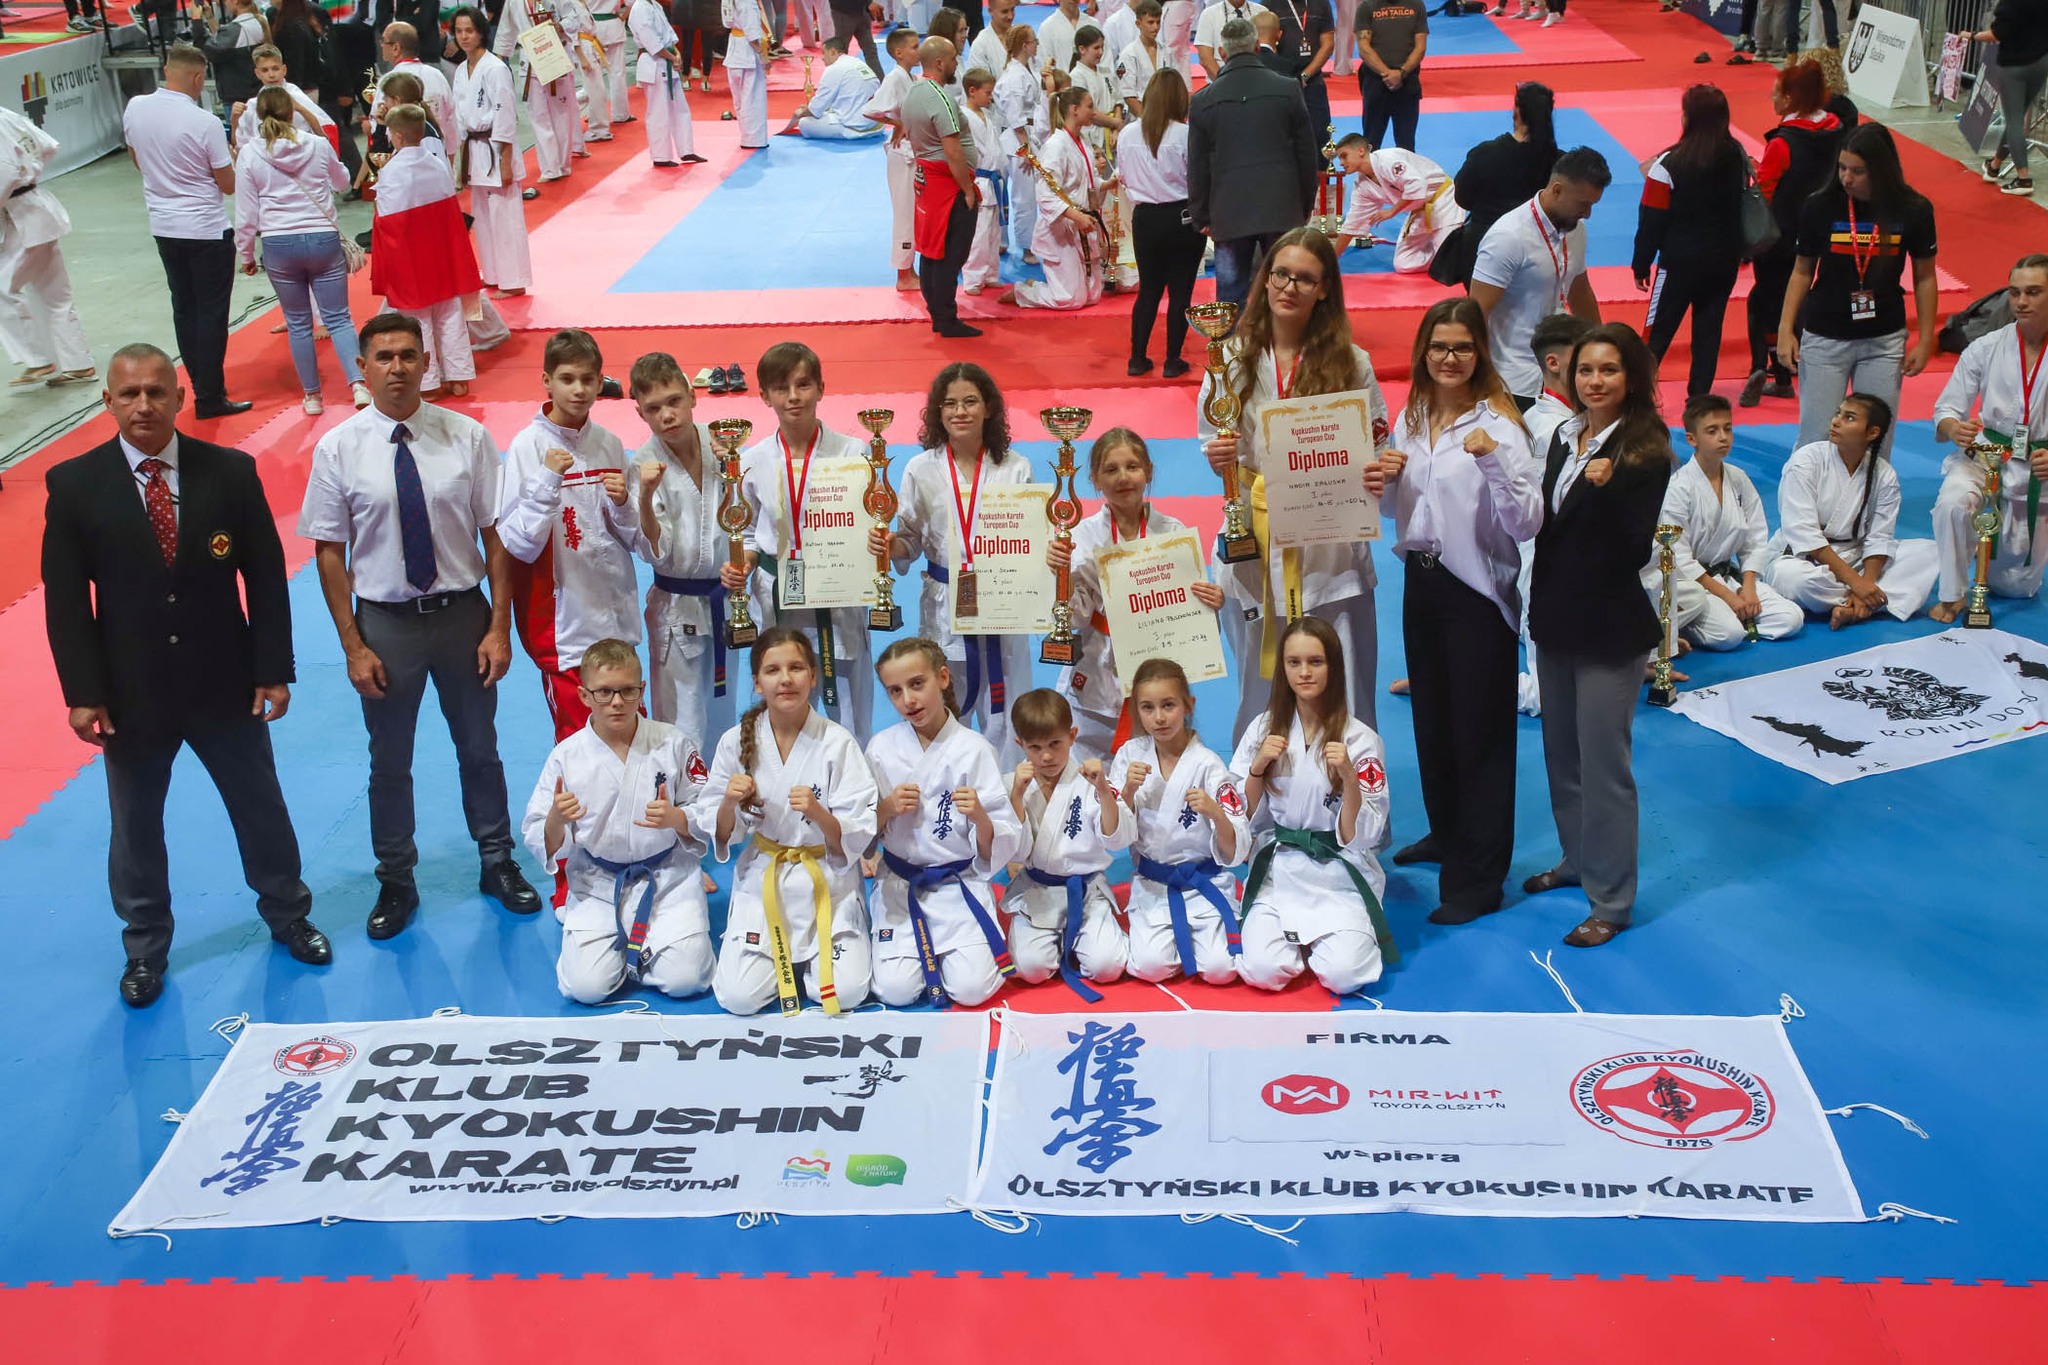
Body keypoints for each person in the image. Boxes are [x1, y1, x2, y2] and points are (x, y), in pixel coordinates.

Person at [42, 343, 327, 1008]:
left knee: (260, 806)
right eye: (129, 393)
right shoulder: (74, 484)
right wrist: (83, 694)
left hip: (225, 679)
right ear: (107, 402)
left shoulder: (229, 471)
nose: (143, 404)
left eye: (156, 392)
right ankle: (145, 947)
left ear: (178, 398)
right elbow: (65, 603)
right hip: (130, 692)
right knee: (135, 825)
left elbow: (266, 577)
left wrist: (272, 670)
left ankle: (289, 914)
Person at [299, 312, 542, 938]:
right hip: (385, 624)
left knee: (480, 748)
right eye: (384, 358)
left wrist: (499, 626)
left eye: (409, 355)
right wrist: (352, 646)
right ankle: (396, 879)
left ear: (427, 363)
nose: (398, 368)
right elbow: (328, 552)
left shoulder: (467, 436)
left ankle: (497, 859)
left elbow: (496, 537)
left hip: (463, 614)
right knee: (389, 759)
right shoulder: (338, 448)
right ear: (363, 368)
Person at [1367, 297, 1539, 928]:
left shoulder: (1502, 424)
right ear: (1423, 352)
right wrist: (1382, 481)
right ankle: (1446, 834)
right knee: (1434, 720)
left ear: (1479, 354)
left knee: (1480, 735)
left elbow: (1527, 521)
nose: (1449, 357)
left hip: (1477, 592)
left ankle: (1480, 879)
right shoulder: (1410, 417)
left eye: (1462, 347)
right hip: (1421, 580)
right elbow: (1398, 511)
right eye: (1439, 346)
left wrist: (1491, 458)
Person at [1200, 227, 1391, 743]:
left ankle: (1350, 788)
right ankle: (1257, 790)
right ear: (1265, 279)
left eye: (1305, 279)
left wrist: (1379, 470)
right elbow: (1211, 438)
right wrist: (1217, 455)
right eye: (1281, 274)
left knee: (1342, 685)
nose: (1289, 287)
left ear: (1324, 289)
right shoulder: (1229, 357)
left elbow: (1377, 444)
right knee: (1258, 690)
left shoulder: (1352, 362)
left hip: (1331, 546)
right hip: (1253, 538)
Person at [1525, 325, 1673, 949]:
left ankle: (1611, 899)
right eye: (1585, 370)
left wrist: (1610, 492)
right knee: (1562, 754)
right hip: (1556, 616)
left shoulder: (1645, 449)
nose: (1595, 381)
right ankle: (1578, 858)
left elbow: (1634, 547)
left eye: (1609, 370)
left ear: (1630, 377)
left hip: (1610, 628)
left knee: (1605, 763)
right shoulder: (1565, 436)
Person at [691, 629, 876, 1014]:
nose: (786, 679)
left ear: (813, 676)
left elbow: (857, 832)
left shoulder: (838, 742)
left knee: (844, 994)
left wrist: (819, 814)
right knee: (739, 998)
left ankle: (805, 961)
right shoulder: (735, 741)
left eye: (796, 668)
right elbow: (722, 835)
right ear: (757, 683)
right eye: (773, 670)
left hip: (827, 879)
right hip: (767, 877)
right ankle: (783, 958)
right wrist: (728, 801)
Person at [525, 638, 714, 1004]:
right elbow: (537, 834)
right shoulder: (567, 756)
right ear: (584, 696)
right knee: (586, 988)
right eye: (604, 692)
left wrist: (678, 818)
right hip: (597, 881)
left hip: (667, 877)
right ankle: (639, 953)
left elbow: (707, 806)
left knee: (686, 980)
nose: (617, 702)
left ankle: (640, 952)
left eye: (628, 691)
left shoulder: (673, 742)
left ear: (641, 690)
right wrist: (556, 820)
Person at [878, 363, 1036, 760]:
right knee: (946, 704)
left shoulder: (1016, 467)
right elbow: (910, 541)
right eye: (949, 404)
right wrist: (890, 545)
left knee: (1007, 709)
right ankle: (950, 785)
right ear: (938, 411)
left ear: (989, 408)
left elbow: (1031, 539)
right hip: (943, 602)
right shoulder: (920, 469)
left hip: (1002, 599)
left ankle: (1006, 790)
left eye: (970, 402)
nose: (959, 412)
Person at [1232, 616, 1393, 994]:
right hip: (1279, 870)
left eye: (1315, 662)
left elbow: (1363, 836)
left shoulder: (1361, 740)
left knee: (1345, 975)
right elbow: (1238, 816)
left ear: (1333, 667)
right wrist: (1257, 769)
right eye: (1294, 662)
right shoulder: (1262, 731)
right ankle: (1297, 940)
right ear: (1283, 669)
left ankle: (1329, 941)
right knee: (1264, 971)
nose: (1304, 672)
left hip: (1337, 872)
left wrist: (1350, 778)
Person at [498, 328, 643, 745]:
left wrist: (625, 504)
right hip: (564, 629)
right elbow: (518, 545)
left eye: (586, 379)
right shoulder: (527, 448)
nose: (578, 390)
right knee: (581, 746)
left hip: (616, 621)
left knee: (631, 742)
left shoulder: (609, 444)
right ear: (547, 381)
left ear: (600, 382)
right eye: (567, 379)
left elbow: (633, 540)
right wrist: (547, 481)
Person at [867, 636, 1027, 1007]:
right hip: (901, 883)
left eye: (917, 684)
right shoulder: (880, 748)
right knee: (896, 991)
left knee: (972, 990)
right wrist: (887, 807)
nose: (908, 700)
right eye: (895, 691)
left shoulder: (975, 749)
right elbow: (860, 833)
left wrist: (980, 817)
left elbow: (995, 847)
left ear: (942, 678)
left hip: (958, 883)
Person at [733, 342, 880, 741]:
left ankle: (852, 781)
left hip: (839, 593)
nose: (793, 397)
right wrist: (744, 563)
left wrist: (877, 543)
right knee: (783, 705)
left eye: (803, 385)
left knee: (848, 713)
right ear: (765, 395)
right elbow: (748, 530)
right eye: (781, 388)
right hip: (777, 596)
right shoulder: (753, 459)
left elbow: (871, 521)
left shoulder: (854, 452)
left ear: (821, 388)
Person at [1053, 429, 1223, 756]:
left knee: (1156, 773)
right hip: (1096, 676)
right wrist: (1061, 576)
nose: (1123, 477)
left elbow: (1197, 626)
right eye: (1111, 469)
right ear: (1095, 479)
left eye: (1132, 466)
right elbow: (1076, 618)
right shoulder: (1081, 536)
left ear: (1148, 472)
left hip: (1157, 681)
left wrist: (1210, 605)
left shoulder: (1173, 533)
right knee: (1090, 775)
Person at [1778, 123, 1939, 457]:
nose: (1846, 178)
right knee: (1816, 439)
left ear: (1881, 170)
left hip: (1883, 340)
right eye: (1842, 168)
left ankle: (1870, 495)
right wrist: (1785, 329)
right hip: (1825, 337)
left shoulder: (1914, 210)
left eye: (1857, 171)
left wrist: (1926, 339)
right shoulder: (1820, 206)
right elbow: (1801, 271)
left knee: (1876, 440)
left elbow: (1925, 277)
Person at [124, 44, 249, 420]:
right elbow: (228, 184)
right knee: (211, 313)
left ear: (166, 70)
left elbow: (136, 157)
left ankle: (199, 383)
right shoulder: (204, 122)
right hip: (205, 228)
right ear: (198, 78)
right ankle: (210, 396)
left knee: (184, 307)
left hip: (163, 225)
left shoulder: (136, 107)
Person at [1107, 658, 1246, 985]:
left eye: (1168, 705)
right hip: (1154, 885)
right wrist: (1127, 791)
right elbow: (1114, 838)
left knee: (1221, 971)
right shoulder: (1130, 756)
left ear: (1188, 705)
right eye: (1148, 707)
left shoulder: (1208, 764)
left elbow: (1236, 850)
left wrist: (1215, 812)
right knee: (1150, 968)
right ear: (1137, 711)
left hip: (1202, 883)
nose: (1159, 717)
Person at [1929, 255, 2048, 622]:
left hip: (2039, 472)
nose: (2021, 302)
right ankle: (1952, 594)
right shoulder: (1987, 346)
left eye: (2033, 292)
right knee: (1952, 503)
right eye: (2014, 292)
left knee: (2015, 587)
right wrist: (1954, 428)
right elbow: (1946, 409)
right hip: (1986, 456)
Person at [233, 87, 365, 417]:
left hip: (279, 243)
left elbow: (246, 213)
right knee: (339, 317)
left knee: (298, 323)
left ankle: (312, 396)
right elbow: (343, 183)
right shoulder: (317, 145)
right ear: (292, 113)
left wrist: (246, 254)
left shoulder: (250, 153)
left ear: (259, 116)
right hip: (322, 238)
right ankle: (359, 384)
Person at [1644, 394, 1804, 651]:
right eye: (1712, 431)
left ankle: (1728, 617)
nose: (1723, 437)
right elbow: (1678, 555)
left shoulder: (1738, 478)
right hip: (1695, 584)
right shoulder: (1679, 487)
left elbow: (1755, 538)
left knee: (1791, 618)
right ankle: (1679, 621)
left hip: (1730, 576)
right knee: (1729, 635)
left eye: (1727, 429)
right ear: (1692, 439)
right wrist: (1728, 597)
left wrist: (1748, 588)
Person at [1765, 394, 1939, 627]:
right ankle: (1870, 603)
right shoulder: (1806, 461)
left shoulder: (1883, 474)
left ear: (1872, 432)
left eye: (1849, 418)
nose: (1836, 421)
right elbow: (1804, 534)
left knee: (1930, 552)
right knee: (1798, 580)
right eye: (1838, 413)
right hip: (1801, 557)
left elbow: (1880, 537)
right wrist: (1856, 584)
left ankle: (1855, 603)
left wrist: (1866, 582)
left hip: (1854, 555)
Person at [1004, 688, 1133, 998]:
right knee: (1030, 969)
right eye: (1035, 747)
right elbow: (1010, 852)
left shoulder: (1091, 779)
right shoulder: (1012, 784)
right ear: (1020, 744)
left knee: (1107, 967)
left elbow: (1117, 840)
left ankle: (1079, 939)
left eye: (1055, 744)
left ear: (1072, 736)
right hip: (1038, 891)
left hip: (1086, 891)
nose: (1046, 756)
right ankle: (1060, 941)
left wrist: (1103, 791)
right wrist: (1016, 797)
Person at [1188, 17, 1318, 311]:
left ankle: (1234, 343)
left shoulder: (1203, 101)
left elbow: (1197, 166)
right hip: (1282, 208)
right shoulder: (1288, 88)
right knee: (1286, 291)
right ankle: (1282, 341)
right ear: (1257, 48)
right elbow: (1306, 155)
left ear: (1223, 53)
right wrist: (1305, 204)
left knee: (1231, 298)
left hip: (1228, 211)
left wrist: (1201, 215)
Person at [1741, 60, 1846, 409]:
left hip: (1779, 237)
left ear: (1788, 99)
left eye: (1775, 94)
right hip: (1821, 232)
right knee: (1799, 298)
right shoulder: (1836, 129)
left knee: (1763, 301)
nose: (1772, 100)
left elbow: (1764, 192)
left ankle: (1765, 367)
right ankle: (1793, 368)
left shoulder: (1783, 143)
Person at [1471, 145, 1609, 408]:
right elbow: (1476, 311)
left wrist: (1602, 344)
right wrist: (1478, 376)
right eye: (1583, 204)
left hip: (1563, 372)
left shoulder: (1575, 229)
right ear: (1557, 190)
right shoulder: (1507, 237)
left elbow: (1580, 291)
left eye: (1592, 205)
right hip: (1513, 377)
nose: (1588, 214)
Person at [1634, 85, 1748, 400]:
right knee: (1708, 332)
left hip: (1679, 264)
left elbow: (1651, 219)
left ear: (1687, 118)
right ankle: (1699, 400)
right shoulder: (1736, 155)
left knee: (1657, 332)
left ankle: (1637, 395)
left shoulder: (1668, 165)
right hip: (1723, 262)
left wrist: (1641, 263)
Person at [369, 105, 482, 398]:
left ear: (396, 136)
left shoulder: (391, 172)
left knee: (417, 320)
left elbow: (387, 225)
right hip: (442, 251)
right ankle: (459, 376)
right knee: (450, 312)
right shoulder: (437, 164)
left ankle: (429, 383)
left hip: (410, 256)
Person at [0, 104, 94, 391]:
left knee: (3, 289)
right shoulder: (7, 115)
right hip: (36, 207)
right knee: (54, 294)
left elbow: (7, 172)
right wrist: (32, 172)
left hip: (22, 215)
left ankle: (38, 359)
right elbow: (48, 145)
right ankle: (78, 364)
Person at [1117, 70, 1202, 377]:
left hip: (1146, 218)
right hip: (1181, 218)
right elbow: (1197, 178)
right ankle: (1172, 360)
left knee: (1149, 290)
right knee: (1180, 292)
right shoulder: (1185, 134)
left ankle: (1137, 358)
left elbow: (1123, 176)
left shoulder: (1127, 134)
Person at [904, 37, 986, 337]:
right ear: (939, 63)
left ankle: (939, 314)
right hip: (948, 185)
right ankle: (947, 318)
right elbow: (953, 151)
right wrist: (967, 189)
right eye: (953, 58)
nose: (956, 63)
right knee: (951, 254)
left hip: (928, 180)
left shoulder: (914, 91)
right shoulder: (940, 97)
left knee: (932, 251)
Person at [450, 7, 535, 297]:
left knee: (505, 218)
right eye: (459, 31)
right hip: (474, 150)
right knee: (484, 218)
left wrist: (506, 161)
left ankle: (514, 281)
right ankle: (494, 274)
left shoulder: (495, 68)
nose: (464, 36)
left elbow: (506, 115)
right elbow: (459, 117)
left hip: (496, 149)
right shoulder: (461, 70)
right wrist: (459, 159)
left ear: (481, 32)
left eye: (469, 30)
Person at [1003, 87, 1105, 313]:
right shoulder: (1055, 145)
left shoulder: (1083, 141)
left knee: (1092, 296)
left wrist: (1108, 184)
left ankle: (1041, 285)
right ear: (1074, 109)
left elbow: (1087, 183)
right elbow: (1046, 195)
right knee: (1070, 300)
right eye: (1089, 106)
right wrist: (1076, 216)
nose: (1094, 111)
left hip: (1081, 225)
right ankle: (1023, 291)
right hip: (1060, 228)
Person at [1449, 81, 1556, 292]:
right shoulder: (1556, 161)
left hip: (1484, 244)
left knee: (1483, 309)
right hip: (1537, 246)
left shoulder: (1484, 154)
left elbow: (1462, 198)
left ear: (1516, 112)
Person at [1329, 133, 1462, 274]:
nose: (1341, 163)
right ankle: (1442, 255)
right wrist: (1331, 260)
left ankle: (1450, 251)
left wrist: (1392, 211)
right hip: (1419, 209)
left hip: (1443, 200)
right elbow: (1353, 223)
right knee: (1404, 264)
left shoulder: (1388, 160)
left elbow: (1417, 185)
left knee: (1449, 265)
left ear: (1360, 151)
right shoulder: (1362, 186)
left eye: (1344, 156)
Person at [494, 0, 584, 185]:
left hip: (556, 55)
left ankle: (563, 164)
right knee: (538, 116)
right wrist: (498, 59)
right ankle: (550, 168)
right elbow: (506, 29)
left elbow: (574, 18)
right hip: (530, 62)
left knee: (562, 114)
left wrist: (560, 26)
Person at [867, 27, 925, 292]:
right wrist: (897, 123)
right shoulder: (894, 78)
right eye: (914, 47)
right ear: (899, 52)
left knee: (912, 212)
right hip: (902, 155)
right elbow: (871, 110)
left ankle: (910, 269)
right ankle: (903, 275)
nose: (918, 51)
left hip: (911, 152)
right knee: (904, 212)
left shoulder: (910, 77)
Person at [1976, 1, 2048, 196]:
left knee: (2014, 121)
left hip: (2014, 66)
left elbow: (1996, 34)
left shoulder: (2009, 4)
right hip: (2040, 62)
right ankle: (1994, 166)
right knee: (2016, 116)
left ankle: (2023, 179)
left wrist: (1972, 35)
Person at [995, 25, 1046, 263]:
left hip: (1028, 134)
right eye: (1034, 41)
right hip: (1017, 141)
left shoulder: (1027, 68)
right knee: (1023, 198)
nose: (1037, 44)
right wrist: (1025, 148)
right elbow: (1015, 116)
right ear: (1025, 46)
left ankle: (1021, 242)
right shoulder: (1014, 77)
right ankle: (1026, 247)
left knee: (1027, 195)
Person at [632, 0, 702, 165]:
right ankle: (661, 156)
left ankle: (686, 150)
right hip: (653, 63)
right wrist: (672, 57)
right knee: (658, 111)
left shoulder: (655, 5)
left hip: (667, 61)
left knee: (680, 108)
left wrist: (676, 54)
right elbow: (651, 42)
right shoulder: (639, 8)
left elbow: (669, 35)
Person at [231, 44, 336, 150]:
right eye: (265, 70)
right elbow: (239, 146)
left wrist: (300, 108)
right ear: (257, 73)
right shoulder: (252, 104)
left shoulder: (296, 96)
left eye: (275, 69)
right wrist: (234, 119)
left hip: (299, 153)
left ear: (284, 70)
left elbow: (324, 137)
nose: (271, 75)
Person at [960, 68, 1008, 293]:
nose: (991, 97)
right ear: (972, 91)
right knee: (978, 234)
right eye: (988, 93)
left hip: (994, 180)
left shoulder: (987, 116)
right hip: (979, 180)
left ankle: (990, 273)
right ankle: (973, 278)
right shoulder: (964, 117)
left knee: (993, 233)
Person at [787, 34, 885, 137]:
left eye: (824, 53)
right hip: (877, 125)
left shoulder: (834, 68)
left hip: (856, 128)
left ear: (833, 51)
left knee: (804, 122)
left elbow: (816, 109)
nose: (822, 58)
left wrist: (801, 112)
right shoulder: (858, 63)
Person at [1268, 0, 1334, 139]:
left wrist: (1305, 75)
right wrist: (1282, 77)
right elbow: (1267, 44)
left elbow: (1328, 43)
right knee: (1283, 134)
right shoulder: (1270, 4)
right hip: (1281, 82)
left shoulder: (1321, 3)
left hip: (1313, 81)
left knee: (1321, 134)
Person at [724, 0, 774, 150]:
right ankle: (753, 139)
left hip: (734, 47)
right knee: (752, 98)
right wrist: (762, 54)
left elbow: (727, 22)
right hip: (748, 51)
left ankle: (746, 136)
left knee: (740, 99)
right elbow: (751, 31)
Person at [1114, 0, 1163, 117]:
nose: (1155, 27)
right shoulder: (1129, 54)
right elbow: (1129, 96)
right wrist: (1146, 119)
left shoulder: (1166, 51)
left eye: (1158, 22)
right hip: (1139, 116)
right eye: (1150, 22)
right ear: (1138, 23)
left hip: (1164, 112)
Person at [1195, 0, 1269, 78]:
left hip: (1258, 77)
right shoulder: (1209, 14)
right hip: (1220, 79)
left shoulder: (1261, 12)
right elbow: (1205, 58)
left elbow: (1269, 51)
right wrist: (1223, 81)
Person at [1037, 0, 1088, 72]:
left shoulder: (1093, 24)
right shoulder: (1047, 27)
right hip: (1061, 78)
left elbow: (1103, 60)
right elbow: (1043, 63)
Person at [970, 0, 1017, 77]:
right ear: (990, 11)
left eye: (1012, 9)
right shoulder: (980, 44)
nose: (1010, 16)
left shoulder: (1022, 35)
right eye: (1004, 12)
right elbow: (980, 81)